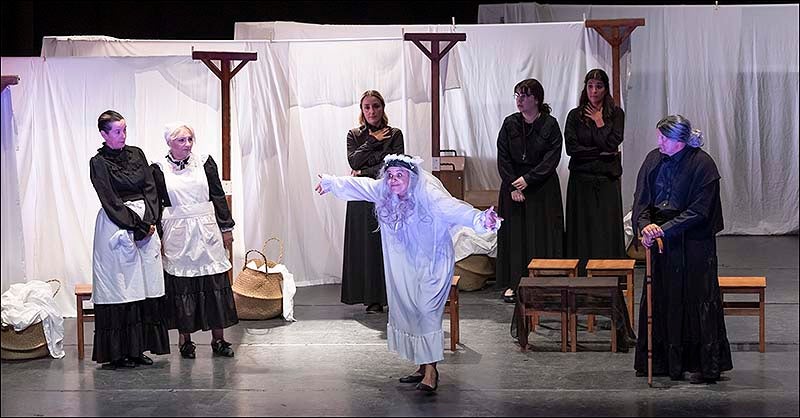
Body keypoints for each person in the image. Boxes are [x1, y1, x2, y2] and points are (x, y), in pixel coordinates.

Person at [315, 154, 501, 392]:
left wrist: (482, 219)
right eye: (390, 176)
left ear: (411, 178)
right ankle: (422, 366)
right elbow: (360, 185)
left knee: (426, 311)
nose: (393, 180)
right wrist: (331, 182)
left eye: (399, 175)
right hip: (404, 265)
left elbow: (456, 210)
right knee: (410, 311)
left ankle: (431, 372)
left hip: (432, 263)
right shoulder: (385, 192)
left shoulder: (429, 196)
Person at [632, 114, 733, 384]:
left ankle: (697, 363)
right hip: (660, 241)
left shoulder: (703, 165)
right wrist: (645, 227)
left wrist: (664, 229)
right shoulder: (653, 159)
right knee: (662, 297)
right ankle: (664, 361)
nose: (659, 142)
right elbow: (641, 200)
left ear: (680, 141)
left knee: (694, 299)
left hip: (693, 243)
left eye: (665, 138)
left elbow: (700, 211)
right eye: (659, 136)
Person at [89, 110, 170, 369]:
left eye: (124, 130)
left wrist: (150, 221)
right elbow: (110, 199)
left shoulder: (137, 154)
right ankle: (117, 353)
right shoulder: (98, 162)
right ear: (104, 134)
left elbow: (150, 188)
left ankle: (137, 349)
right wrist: (135, 225)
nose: (123, 136)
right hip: (117, 226)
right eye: (116, 131)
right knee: (120, 288)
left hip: (145, 225)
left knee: (144, 287)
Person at [151, 123, 239, 359]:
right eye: (181, 140)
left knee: (213, 281)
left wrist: (226, 227)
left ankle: (218, 339)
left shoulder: (205, 162)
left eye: (190, 139)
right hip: (178, 231)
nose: (187, 144)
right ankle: (185, 340)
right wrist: (157, 237)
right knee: (183, 285)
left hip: (206, 228)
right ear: (169, 142)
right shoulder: (158, 169)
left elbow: (218, 195)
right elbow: (156, 204)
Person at [495, 78, 564, 303]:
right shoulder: (509, 123)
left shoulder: (550, 124)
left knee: (541, 236)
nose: (520, 100)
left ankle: (544, 283)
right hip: (513, 188)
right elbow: (503, 156)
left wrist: (529, 179)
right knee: (516, 237)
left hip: (541, 188)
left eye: (524, 95)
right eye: (517, 95)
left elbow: (552, 157)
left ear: (537, 99)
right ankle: (514, 284)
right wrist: (514, 184)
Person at [342, 90, 404, 313]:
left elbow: (395, 166)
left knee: (386, 245)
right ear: (362, 110)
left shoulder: (395, 134)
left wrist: (363, 170)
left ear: (383, 108)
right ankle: (371, 298)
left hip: (386, 195)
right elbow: (353, 159)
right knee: (365, 246)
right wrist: (371, 141)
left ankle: (391, 295)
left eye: (375, 106)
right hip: (360, 197)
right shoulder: (354, 134)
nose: (371, 111)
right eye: (367, 107)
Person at [564, 69, 626, 275]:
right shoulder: (575, 115)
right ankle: (581, 269)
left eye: (598, 86)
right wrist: (601, 151)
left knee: (605, 228)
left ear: (605, 89)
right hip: (581, 180)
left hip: (606, 179)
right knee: (583, 228)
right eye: (590, 86)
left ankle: (608, 270)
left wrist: (600, 122)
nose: (594, 91)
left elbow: (613, 143)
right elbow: (572, 149)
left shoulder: (616, 114)